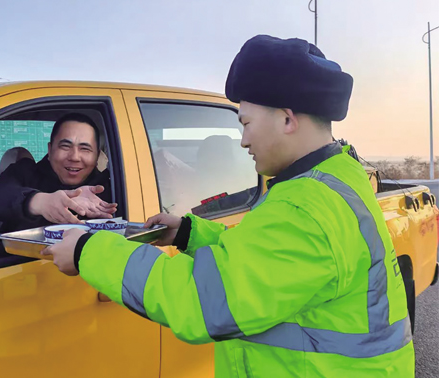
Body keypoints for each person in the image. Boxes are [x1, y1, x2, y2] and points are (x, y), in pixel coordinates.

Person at [42, 35, 414, 377]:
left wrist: (87, 249)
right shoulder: (332, 177)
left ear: (287, 119)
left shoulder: (306, 209)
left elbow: (200, 303)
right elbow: (261, 259)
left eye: (246, 122)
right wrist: (189, 232)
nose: (243, 140)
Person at [0, 113, 117, 234]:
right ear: (50, 149)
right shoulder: (26, 172)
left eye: (85, 149)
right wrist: (40, 202)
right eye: (65, 146)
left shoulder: (113, 188)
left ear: (97, 156)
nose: (75, 157)